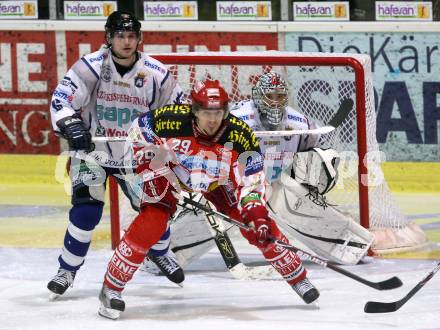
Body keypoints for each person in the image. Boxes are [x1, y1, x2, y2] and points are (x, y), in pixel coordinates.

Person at [97, 79, 320, 320]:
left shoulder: (241, 135)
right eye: (205, 113)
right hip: (170, 170)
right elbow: (138, 129)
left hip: (216, 180)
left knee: (258, 227)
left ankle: (298, 278)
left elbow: (252, 181)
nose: (212, 120)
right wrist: (153, 163)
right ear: (194, 111)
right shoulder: (171, 118)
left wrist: (256, 214)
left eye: (218, 113)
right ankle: (111, 287)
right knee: (153, 220)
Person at [167, 72, 373, 269]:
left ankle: (350, 246)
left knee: (314, 168)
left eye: (280, 96)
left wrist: (309, 182)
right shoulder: (236, 119)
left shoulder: (297, 122)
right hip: (236, 185)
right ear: (257, 97)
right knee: (219, 205)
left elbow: (322, 145)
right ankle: (166, 252)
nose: (275, 101)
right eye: (269, 96)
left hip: (275, 186)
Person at [47, 11, 185, 299]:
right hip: (94, 153)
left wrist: (173, 144)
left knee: (155, 212)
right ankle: (67, 270)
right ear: (108, 38)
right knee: (85, 213)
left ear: (139, 38)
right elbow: (62, 99)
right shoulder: (91, 67)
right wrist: (70, 123)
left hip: (136, 156)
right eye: (120, 35)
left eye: (132, 35)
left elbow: (179, 111)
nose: (126, 41)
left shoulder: (156, 74)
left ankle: (160, 252)